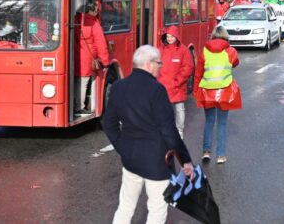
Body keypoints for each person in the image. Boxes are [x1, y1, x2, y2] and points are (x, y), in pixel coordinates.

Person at [103, 45, 194, 224]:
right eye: (159, 63)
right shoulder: (157, 90)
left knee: (126, 206)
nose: (161, 67)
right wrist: (185, 160)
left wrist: (122, 148)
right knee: (156, 210)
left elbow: (109, 124)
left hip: (130, 160)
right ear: (150, 64)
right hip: (156, 163)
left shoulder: (119, 87)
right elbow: (169, 131)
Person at [194, 26, 241, 164]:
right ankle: (220, 155)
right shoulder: (231, 51)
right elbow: (235, 63)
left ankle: (206, 151)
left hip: (207, 90)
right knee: (221, 123)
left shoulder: (205, 50)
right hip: (224, 91)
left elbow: (199, 72)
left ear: (213, 36)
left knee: (209, 122)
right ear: (226, 37)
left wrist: (196, 90)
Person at [73, 2, 111, 114]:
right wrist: (105, 62)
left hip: (74, 55)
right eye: (96, 11)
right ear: (92, 11)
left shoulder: (74, 20)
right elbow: (101, 44)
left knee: (75, 80)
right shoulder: (94, 24)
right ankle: (79, 107)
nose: (97, 13)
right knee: (84, 81)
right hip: (87, 57)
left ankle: (72, 103)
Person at [158, 26, 194, 138]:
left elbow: (188, 67)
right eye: (168, 36)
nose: (169, 39)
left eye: (172, 36)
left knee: (179, 109)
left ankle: (179, 131)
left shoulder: (184, 50)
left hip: (177, 86)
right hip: (163, 84)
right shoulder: (161, 49)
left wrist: (177, 81)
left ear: (176, 37)